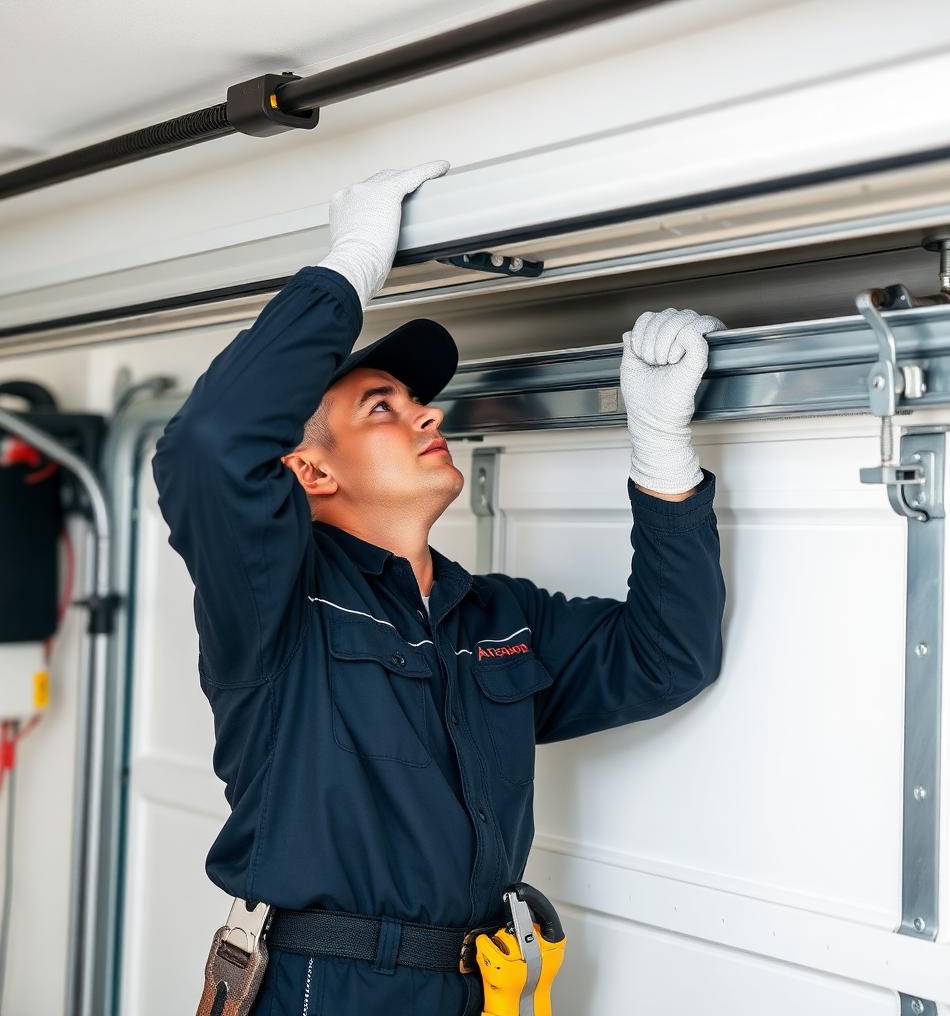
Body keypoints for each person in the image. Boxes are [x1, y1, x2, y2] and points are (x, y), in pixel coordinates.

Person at [152, 160, 727, 1016]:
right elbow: (210, 441)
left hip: (482, 986)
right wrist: (350, 262)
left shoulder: (497, 618)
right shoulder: (275, 599)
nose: (428, 414)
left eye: (416, 401)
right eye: (382, 407)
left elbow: (668, 655)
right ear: (307, 467)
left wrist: (660, 449)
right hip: (326, 988)